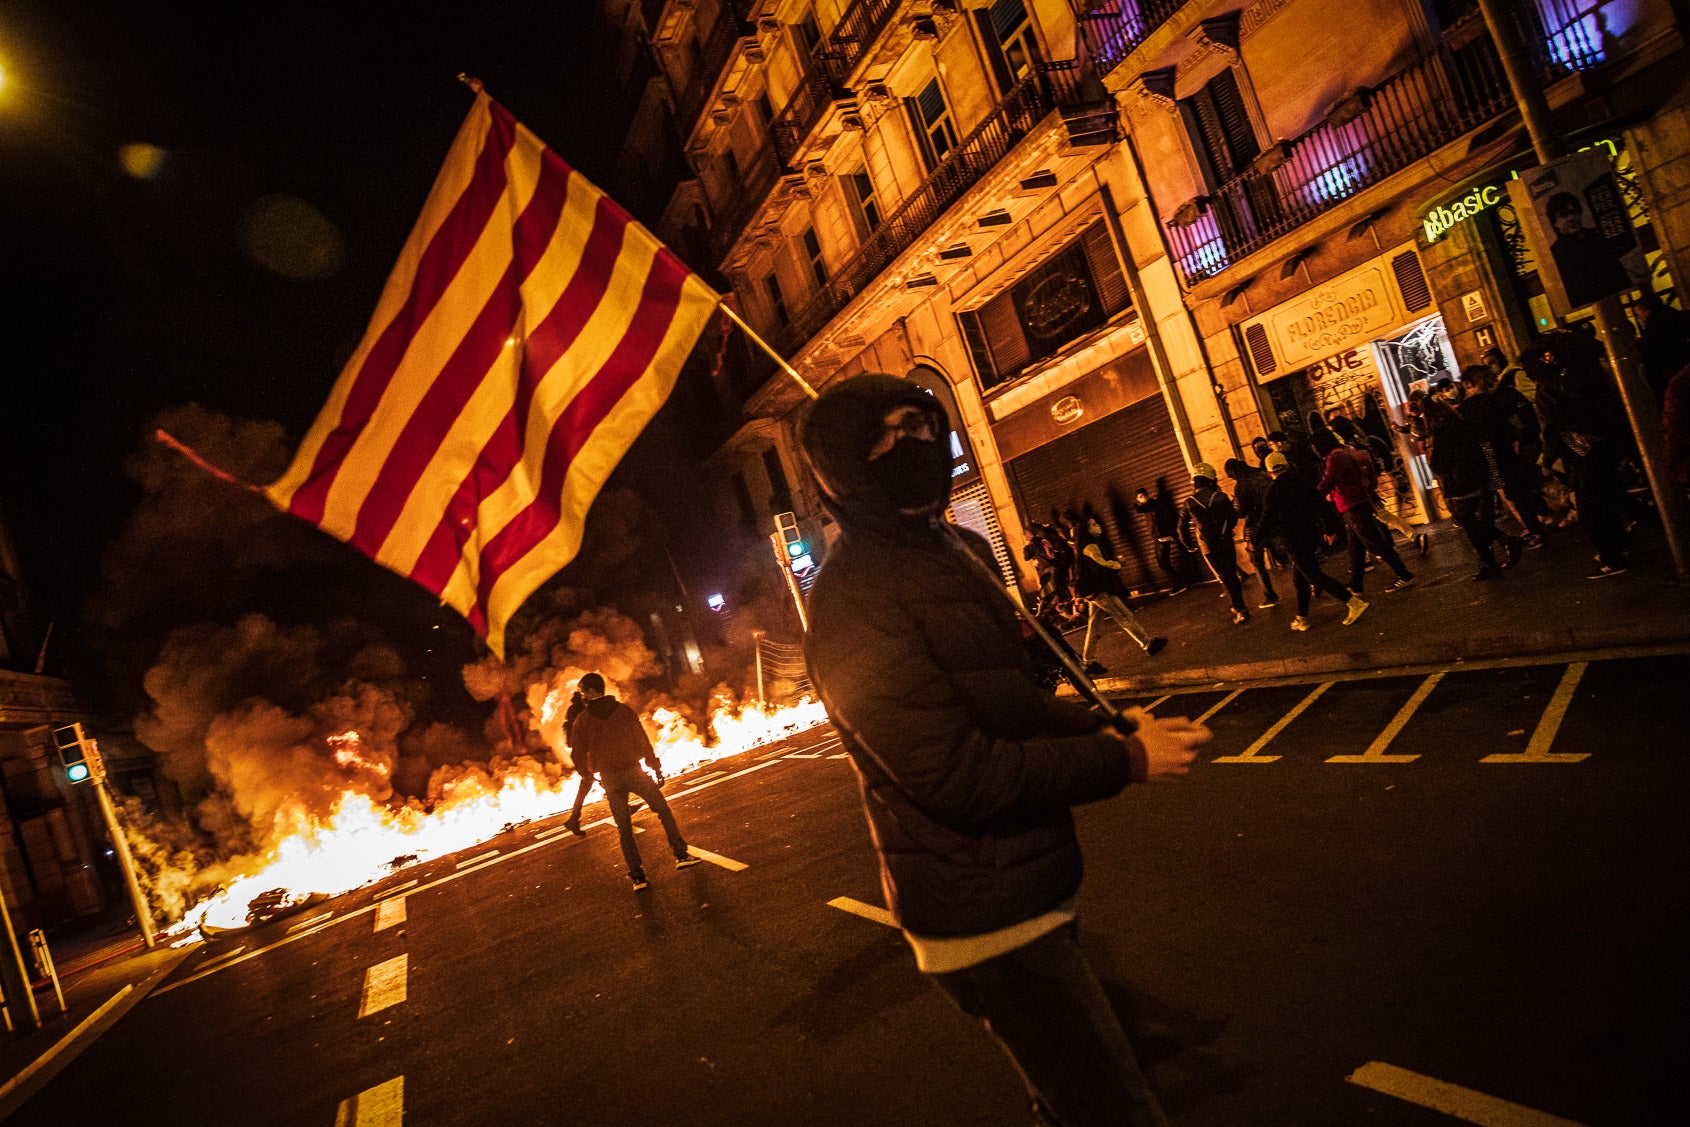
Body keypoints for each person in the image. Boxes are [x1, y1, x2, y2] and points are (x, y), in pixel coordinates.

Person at [797, 373, 1212, 1127]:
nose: (916, 446)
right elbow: (954, 772)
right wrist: (1126, 762)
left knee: (1073, 1097)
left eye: (923, 427)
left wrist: (1106, 732)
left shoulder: (955, 548)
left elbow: (1012, 708)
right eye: (890, 436)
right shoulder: (851, 600)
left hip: (1029, 883)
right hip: (979, 910)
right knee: (1114, 1108)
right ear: (852, 465)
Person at [568, 672, 700, 890]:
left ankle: (638, 877)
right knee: (663, 811)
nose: (581, 695)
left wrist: (588, 773)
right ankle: (681, 855)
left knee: (624, 829)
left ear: (592, 692)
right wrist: (655, 766)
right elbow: (642, 740)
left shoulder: (582, 721)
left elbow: (577, 754)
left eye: (583, 691)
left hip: (610, 779)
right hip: (634, 772)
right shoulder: (623, 711)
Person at [1530, 331, 1634, 577]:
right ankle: (1620, 546)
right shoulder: (1585, 375)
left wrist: (1547, 460)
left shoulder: (1555, 385)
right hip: (1600, 446)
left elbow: (1555, 426)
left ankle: (1613, 557)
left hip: (1581, 451)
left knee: (1591, 504)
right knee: (1611, 497)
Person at [1258, 452, 1369, 630]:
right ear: (1287, 465)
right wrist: (1330, 528)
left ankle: (1353, 602)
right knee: (1300, 579)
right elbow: (1321, 504)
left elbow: (1267, 518)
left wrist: (1254, 539)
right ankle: (1302, 617)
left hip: (1293, 539)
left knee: (1314, 576)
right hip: (1311, 534)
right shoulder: (1301, 482)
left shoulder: (1274, 490)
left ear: (1269, 472)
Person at [1426, 398, 1525, 580]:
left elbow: (1438, 465)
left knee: (1470, 525)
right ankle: (1504, 545)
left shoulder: (1442, 433)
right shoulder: (1465, 424)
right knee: (1481, 523)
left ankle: (1494, 558)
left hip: (1462, 484)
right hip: (1481, 478)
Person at [1313, 430, 1416, 594]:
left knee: (1375, 544)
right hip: (1357, 502)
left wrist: (1316, 494)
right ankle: (1356, 584)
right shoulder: (1346, 451)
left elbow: (1328, 480)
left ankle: (1404, 574)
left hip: (1352, 505)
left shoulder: (1335, 457)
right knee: (1355, 548)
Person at [1074, 516, 1168, 669]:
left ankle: (1087, 661)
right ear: (1087, 529)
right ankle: (1148, 644)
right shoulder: (1090, 547)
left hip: (1093, 592)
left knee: (1094, 627)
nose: (1097, 526)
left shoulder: (1084, 546)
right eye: (1093, 524)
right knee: (1124, 616)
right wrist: (1118, 563)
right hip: (1101, 590)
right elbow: (1102, 567)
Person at [1177, 463, 1250, 624]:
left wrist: (1189, 545)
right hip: (1225, 542)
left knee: (1224, 577)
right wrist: (1227, 530)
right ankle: (1239, 606)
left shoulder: (1189, 502)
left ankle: (1240, 610)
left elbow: (1181, 528)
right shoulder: (1221, 497)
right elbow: (1232, 517)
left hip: (1208, 546)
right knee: (1231, 574)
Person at [1545, 191, 1635, 309]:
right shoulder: (1556, 253)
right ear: (1555, 223)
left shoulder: (1598, 236)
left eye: (1573, 212)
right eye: (1563, 215)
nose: (1571, 218)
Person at [1224, 457, 1279, 609]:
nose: (1232, 478)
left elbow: (1241, 512)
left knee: (1257, 561)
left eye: (1230, 475)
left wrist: (1235, 503)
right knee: (1290, 554)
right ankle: (1311, 581)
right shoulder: (1262, 474)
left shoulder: (1242, 485)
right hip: (1274, 521)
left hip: (1254, 527)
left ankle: (1270, 595)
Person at [1634, 290, 1690, 402]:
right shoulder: (1677, 316)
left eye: (1638, 315)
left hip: (1673, 377)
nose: (1639, 319)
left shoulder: (1653, 330)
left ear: (1646, 311)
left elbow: (1651, 357)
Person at [1133, 481, 1187, 593]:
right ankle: (1179, 583)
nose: (1140, 500)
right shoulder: (1150, 506)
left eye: (1141, 497)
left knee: (1163, 563)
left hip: (1162, 537)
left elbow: (1138, 509)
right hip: (1158, 537)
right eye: (1138, 498)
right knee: (1163, 563)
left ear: (1146, 495)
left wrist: (1136, 504)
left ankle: (1179, 584)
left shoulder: (1153, 504)